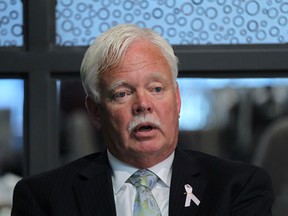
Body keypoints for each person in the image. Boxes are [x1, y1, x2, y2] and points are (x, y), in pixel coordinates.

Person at [11, 24, 273, 216]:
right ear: (95, 111)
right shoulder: (42, 198)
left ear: (177, 100)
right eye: (122, 93)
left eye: (157, 89)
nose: (143, 104)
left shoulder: (238, 187)